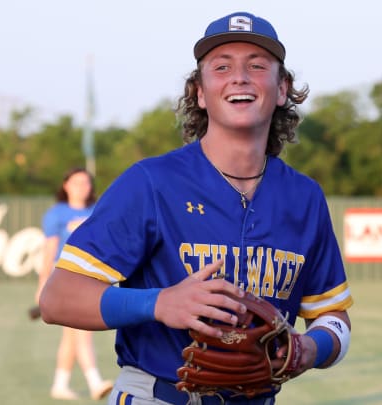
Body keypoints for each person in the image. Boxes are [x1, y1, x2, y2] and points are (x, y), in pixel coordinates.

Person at [39, 11, 352, 405]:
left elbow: (333, 317)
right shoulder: (150, 183)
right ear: (200, 92)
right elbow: (58, 298)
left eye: (257, 66)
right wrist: (158, 302)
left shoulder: (304, 198)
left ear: (282, 88)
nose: (239, 76)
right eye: (221, 67)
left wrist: (311, 349)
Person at [35, 167, 114, 400]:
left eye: (86, 182)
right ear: (66, 185)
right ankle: (95, 382)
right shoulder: (57, 214)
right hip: (66, 277)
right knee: (81, 330)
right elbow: (49, 249)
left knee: (72, 334)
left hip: (91, 277)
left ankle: (60, 385)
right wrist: (42, 283)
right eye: (76, 182)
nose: (82, 186)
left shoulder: (95, 211)